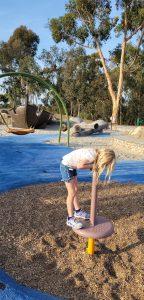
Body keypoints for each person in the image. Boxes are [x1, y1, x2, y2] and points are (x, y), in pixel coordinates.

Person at [60, 148, 116, 229]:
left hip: (72, 166)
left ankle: (78, 212)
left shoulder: (95, 154)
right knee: (71, 193)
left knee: (75, 190)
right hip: (66, 166)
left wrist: (93, 166)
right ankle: (70, 219)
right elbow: (80, 166)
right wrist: (94, 166)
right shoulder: (91, 156)